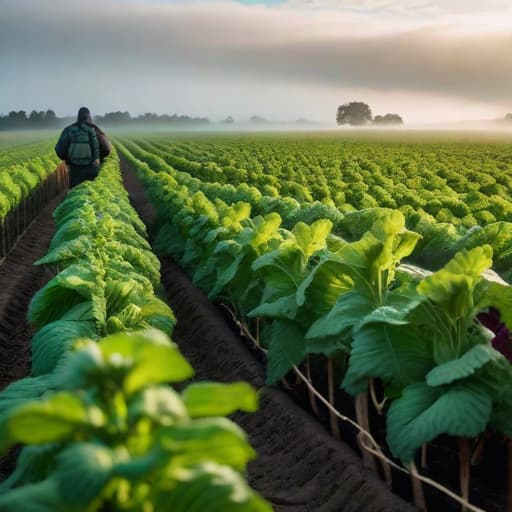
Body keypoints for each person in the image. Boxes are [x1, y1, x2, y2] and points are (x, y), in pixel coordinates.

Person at [55, 107, 111, 188]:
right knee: (91, 193)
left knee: (75, 194)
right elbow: (107, 150)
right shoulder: (95, 129)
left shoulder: (69, 130)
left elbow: (60, 151)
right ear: (89, 116)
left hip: (75, 170)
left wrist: (69, 159)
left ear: (78, 116)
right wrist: (98, 157)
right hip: (93, 168)